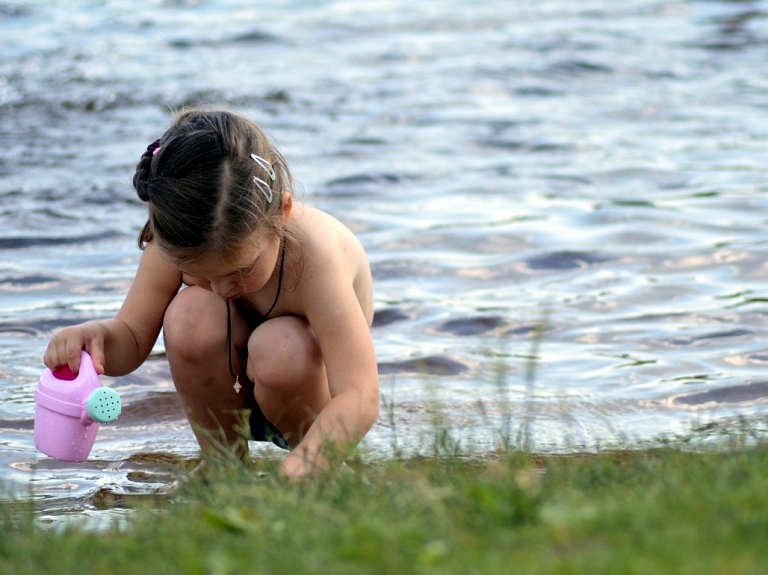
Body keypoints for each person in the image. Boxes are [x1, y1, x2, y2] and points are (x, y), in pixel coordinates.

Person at [43, 108, 380, 480]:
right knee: (189, 312)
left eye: (241, 270)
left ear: (282, 213)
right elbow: (132, 340)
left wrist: (310, 464)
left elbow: (359, 394)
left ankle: (312, 470)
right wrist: (97, 338)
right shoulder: (180, 236)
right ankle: (224, 467)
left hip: (309, 403)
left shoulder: (316, 257)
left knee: (280, 345)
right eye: (199, 274)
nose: (222, 289)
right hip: (226, 395)